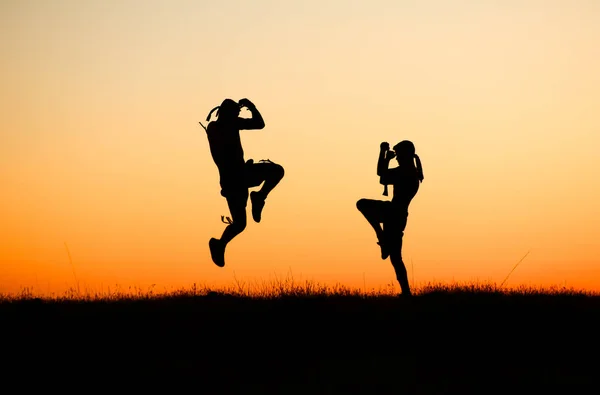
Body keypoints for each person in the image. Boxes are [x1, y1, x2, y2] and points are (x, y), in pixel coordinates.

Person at [202, 98, 285, 267]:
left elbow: (258, 125)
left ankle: (259, 197)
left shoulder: (225, 125)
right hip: (235, 180)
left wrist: (248, 108)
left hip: (237, 178)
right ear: (227, 113)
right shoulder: (219, 127)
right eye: (235, 113)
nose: (237, 116)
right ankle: (220, 244)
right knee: (240, 224)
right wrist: (250, 107)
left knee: (277, 171)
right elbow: (258, 125)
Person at [356, 140, 423, 296]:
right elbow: (383, 177)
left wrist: (383, 155)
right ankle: (406, 292)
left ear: (406, 155)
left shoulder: (407, 172)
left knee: (362, 204)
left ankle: (380, 235)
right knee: (395, 257)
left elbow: (382, 175)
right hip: (398, 214)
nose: (397, 158)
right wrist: (385, 158)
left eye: (399, 155)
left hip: (393, 212)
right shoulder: (410, 171)